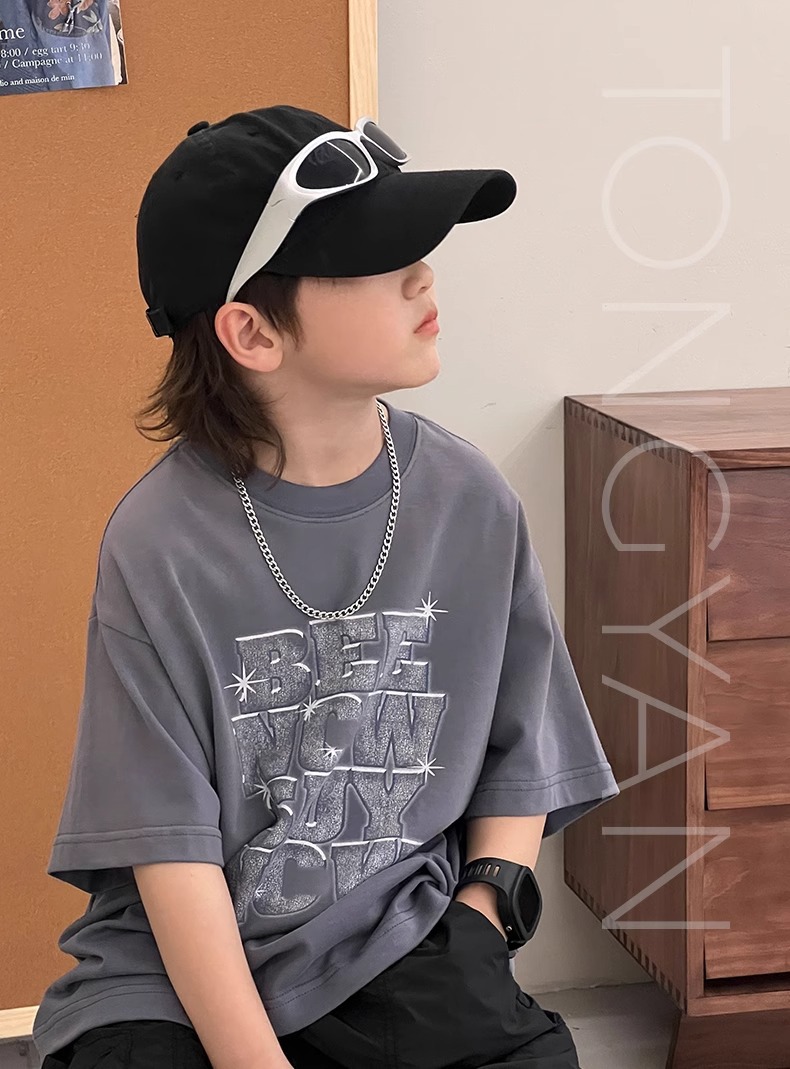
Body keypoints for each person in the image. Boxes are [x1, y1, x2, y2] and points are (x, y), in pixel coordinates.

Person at [32, 104, 619, 1069]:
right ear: (252, 332)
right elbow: (169, 849)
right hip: (177, 968)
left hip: (395, 939)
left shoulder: (468, 500)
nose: (423, 275)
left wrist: (481, 918)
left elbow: (525, 749)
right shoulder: (160, 543)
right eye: (376, 259)